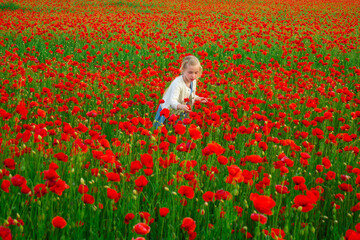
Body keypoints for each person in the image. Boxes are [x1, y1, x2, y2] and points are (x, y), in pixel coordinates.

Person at [153, 55, 209, 129]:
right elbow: (172, 101)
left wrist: (198, 98)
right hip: (168, 112)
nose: (193, 76)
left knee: (177, 132)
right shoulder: (178, 83)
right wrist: (182, 106)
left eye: (196, 73)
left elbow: (191, 95)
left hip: (180, 111)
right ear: (183, 70)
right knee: (163, 132)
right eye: (190, 72)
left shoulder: (193, 81)